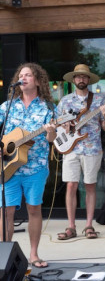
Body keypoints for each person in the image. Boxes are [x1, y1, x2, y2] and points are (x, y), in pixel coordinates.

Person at [0, 63, 57, 268]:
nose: (23, 78)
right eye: (21, 75)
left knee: (34, 209)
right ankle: (4, 255)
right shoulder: (6, 107)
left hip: (36, 166)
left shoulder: (49, 108)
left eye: (28, 75)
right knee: (6, 211)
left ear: (38, 81)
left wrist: (51, 131)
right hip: (8, 167)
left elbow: (52, 139)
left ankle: (33, 254)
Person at [57, 64, 105, 240]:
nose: (81, 79)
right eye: (78, 77)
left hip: (92, 147)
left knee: (90, 185)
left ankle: (89, 225)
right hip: (70, 148)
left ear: (89, 80)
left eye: (84, 77)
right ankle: (71, 226)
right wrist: (64, 125)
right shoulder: (65, 101)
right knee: (71, 185)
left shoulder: (98, 100)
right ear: (73, 80)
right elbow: (57, 124)